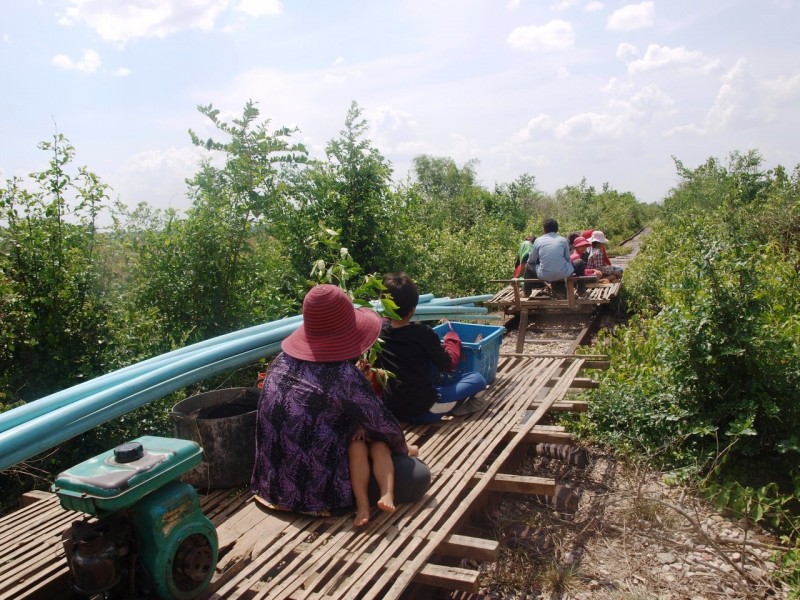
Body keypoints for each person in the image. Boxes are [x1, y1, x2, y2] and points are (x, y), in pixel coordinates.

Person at [251, 284, 431, 526]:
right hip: (319, 495)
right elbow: (384, 427)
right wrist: (402, 448)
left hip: (269, 488)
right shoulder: (342, 375)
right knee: (417, 475)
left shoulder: (281, 361)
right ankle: (360, 502)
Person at [376, 273, 487, 424]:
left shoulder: (379, 331)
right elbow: (448, 364)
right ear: (412, 310)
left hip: (392, 408)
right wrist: (452, 338)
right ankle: (457, 406)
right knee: (478, 379)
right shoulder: (423, 333)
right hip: (423, 410)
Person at [524, 218, 585, 294]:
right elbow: (567, 259)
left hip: (544, 275)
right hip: (563, 273)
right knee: (581, 262)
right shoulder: (563, 240)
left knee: (527, 266)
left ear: (544, 229)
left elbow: (531, 260)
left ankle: (526, 292)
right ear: (557, 229)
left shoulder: (538, 240)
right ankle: (581, 290)